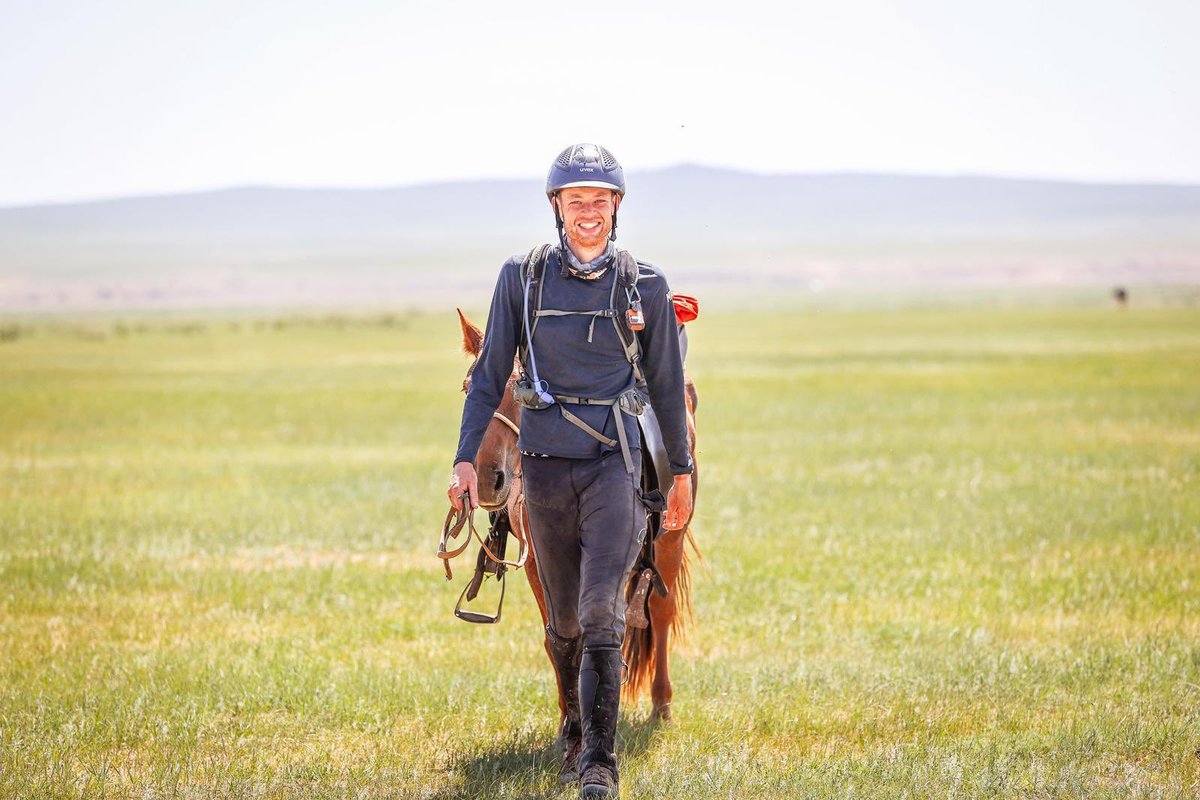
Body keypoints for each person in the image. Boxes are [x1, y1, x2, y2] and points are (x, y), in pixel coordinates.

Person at [448, 143, 693, 799]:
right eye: (576, 199)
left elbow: (668, 385)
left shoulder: (647, 284)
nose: (589, 212)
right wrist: (467, 459)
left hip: (616, 463)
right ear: (557, 207)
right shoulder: (520, 280)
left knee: (601, 614)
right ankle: (573, 730)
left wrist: (683, 471)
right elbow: (490, 375)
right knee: (562, 623)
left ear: (617, 207)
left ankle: (598, 764)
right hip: (546, 466)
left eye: (600, 200)